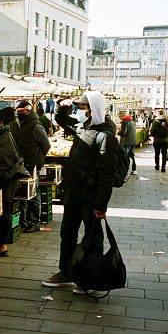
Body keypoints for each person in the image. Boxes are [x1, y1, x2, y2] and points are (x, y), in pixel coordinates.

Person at [43, 91, 119, 291]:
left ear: (94, 110)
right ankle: (66, 272)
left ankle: (91, 278)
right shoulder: (80, 128)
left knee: (93, 237)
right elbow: (60, 118)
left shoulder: (106, 136)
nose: (79, 111)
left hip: (91, 198)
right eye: (78, 108)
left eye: (82, 108)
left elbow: (106, 175)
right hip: (73, 194)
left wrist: (101, 204)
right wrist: (63, 104)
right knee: (67, 234)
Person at [0, 106, 26, 257]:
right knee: (0, 212)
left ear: (0, 123)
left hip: (5, 181)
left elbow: (3, 162)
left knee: (4, 211)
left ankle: (3, 245)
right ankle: (0, 242)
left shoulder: (5, 137)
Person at [11, 100, 51, 233]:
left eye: (21, 112)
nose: (19, 114)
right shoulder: (20, 124)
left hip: (33, 165)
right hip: (22, 164)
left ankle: (34, 222)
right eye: (17, 112)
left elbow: (46, 145)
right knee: (23, 193)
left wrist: (38, 158)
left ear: (28, 110)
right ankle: (24, 220)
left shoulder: (36, 126)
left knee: (33, 193)